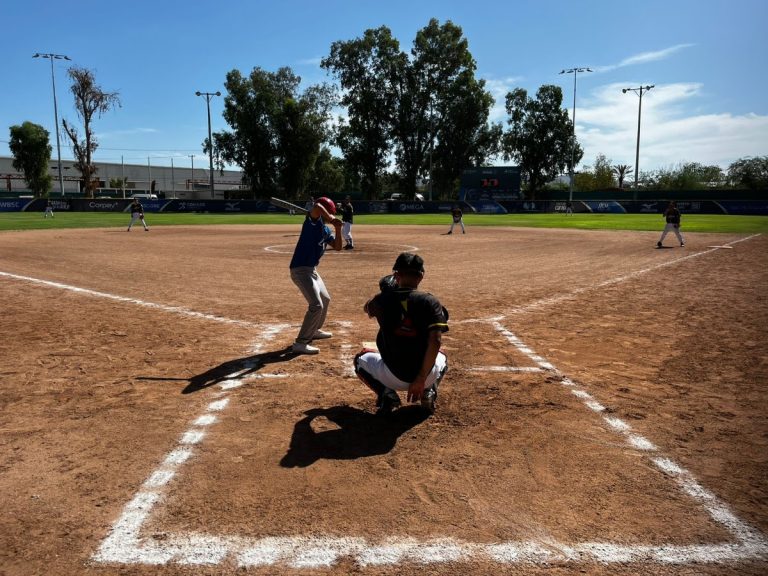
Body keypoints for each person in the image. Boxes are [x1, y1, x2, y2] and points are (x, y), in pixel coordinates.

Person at [354, 253, 449, 416]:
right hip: (426, 377)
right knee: (442, 355)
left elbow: (367, 308)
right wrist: (420, 379)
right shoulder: (430, 301)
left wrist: (385, 293)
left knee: (359, 359)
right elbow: (436, 340)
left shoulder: (381, 300)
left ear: (396, 275)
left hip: (392, 376)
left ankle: (387, 395)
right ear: (421, 276)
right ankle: (428, 393)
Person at [289, 196, 343, 355]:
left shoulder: (326, 230)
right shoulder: (312, 223)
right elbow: (318, 206)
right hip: (300, 270)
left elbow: (338, 247)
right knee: (316, 305)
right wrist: (332, 218)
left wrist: (338, 229)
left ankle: (314, 330)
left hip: (311, 270)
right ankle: (301, 343)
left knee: (325, 299)